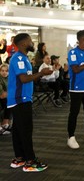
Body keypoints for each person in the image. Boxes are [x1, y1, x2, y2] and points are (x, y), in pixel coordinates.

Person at [7, 33, 53, 172]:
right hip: (20, 99)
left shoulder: (24, 58)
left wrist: (40, 74)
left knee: (18, 130)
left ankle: (19, 158)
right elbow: (23, 79)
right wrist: (40, 73)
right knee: (26, 130)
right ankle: (30, 162)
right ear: (22, 44)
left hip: (21, 98)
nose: (32, 43)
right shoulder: (18, 58)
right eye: (30, 41)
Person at [0, 64, 11, 135]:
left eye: (6, 71)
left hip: (5, 98)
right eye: (2, 71)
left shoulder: (9, 78)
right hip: (1, 98)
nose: (4, 72)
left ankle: (5, 124)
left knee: (10, 103)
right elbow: (2, 95)